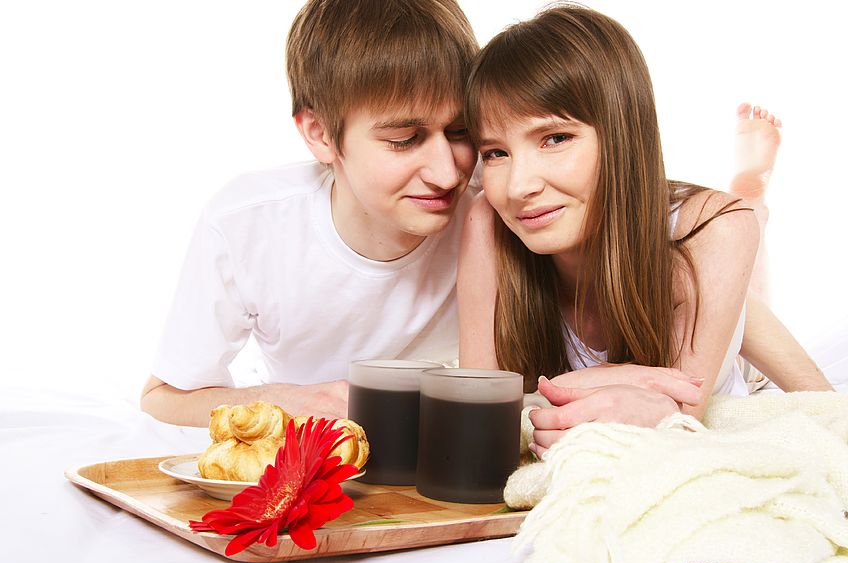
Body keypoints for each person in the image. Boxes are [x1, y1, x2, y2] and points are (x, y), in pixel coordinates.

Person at [457, 4, 832, 453]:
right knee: (732, 282)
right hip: (683, 255)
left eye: (555, 139)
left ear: (622, 132)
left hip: (697, 246)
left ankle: (751, 190)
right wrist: (617, 378)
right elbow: (472, 406)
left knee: (739, 243)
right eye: (496, 153)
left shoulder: (716, 230)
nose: (518, 187)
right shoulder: (488, 220)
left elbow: (680, 410)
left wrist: (572, 387)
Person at [140, 0, 481, 427]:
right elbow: (164, 396)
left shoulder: (500, 197)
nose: (447, 173)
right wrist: (278, 401)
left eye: (460, 130)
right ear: (319, 135)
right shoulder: (248, 224)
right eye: (404, 139)